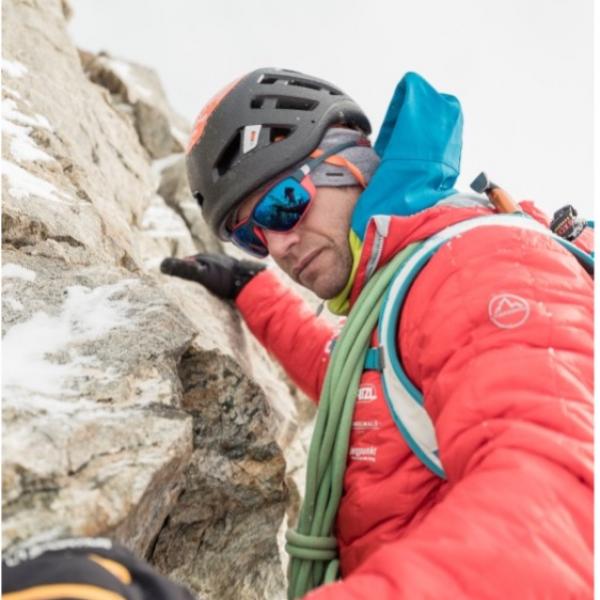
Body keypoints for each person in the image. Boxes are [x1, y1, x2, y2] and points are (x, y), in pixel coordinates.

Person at [161, 68, 594, 599]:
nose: (278, 247)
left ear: (352, 165)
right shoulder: (405, 291)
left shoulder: (485, 265)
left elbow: (557, 514)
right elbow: (361, 381)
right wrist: (252, 290)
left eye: (283, 204)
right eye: (252, 236)